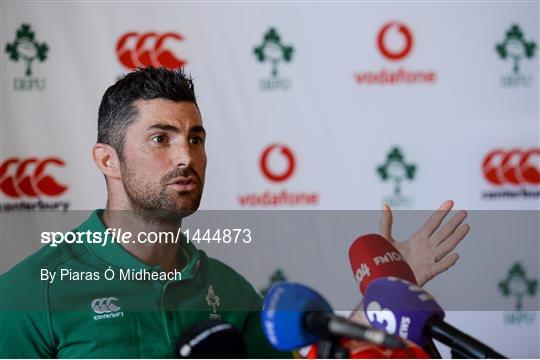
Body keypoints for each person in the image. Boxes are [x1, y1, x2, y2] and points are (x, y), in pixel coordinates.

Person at [0, 67, 469, 358]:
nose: (186, 157)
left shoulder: (227, 288)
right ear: (107, 160)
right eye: (161, 139)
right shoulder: (26, 294)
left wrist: (386, 293)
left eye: (196, 139)